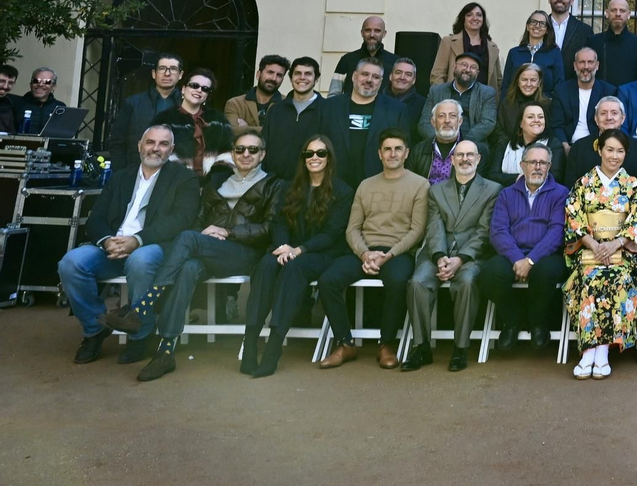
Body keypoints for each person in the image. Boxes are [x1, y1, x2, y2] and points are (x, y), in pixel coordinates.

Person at [99, 128, 283, 381]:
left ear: (262, 155)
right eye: (240, 149)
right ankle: (165, 353)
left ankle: (141, 308)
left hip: (245, 254)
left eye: (253, 149)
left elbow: (270, 227)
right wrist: (201, 239)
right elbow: (197, 222)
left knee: (186, 238)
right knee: (187, 267)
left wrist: (228, 232)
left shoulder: (274, 185)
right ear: (233, 153)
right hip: (208, 250)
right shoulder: (218, 182)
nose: (246, 154)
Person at [57, 126, 200, 366]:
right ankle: (94, 329)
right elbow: (97, 217)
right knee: (71, 263)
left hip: (152, 246)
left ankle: (141, 333)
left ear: (171, 149)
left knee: (140, 259)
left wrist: (138, 240)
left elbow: (181, 220)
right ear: (140, 145)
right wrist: (106, 241)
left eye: (163, 144)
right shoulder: (121, 176)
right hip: (112, 246)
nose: (156, 148)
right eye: (150, 142)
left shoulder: (183, 178)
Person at [243, 133, 354, 377]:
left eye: (321, 153)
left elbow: (332, 233)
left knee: (294, 268)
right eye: (309, 153)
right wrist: (283, 246)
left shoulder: (342, 191)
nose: (314, 157)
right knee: (266, 265)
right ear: (303, 158)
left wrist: (299, 250)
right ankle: (249, 342)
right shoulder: (290, 187)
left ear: (329, 158)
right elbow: (279, 222)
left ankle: (273, 347)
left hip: (322, 254)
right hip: (289, 249)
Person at [316, 131, 429, 369]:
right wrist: (365, 254)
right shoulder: (366, 185)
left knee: (398, 281)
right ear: (379, 154)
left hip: (398, 252)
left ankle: (386, 343)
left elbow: (417, 230)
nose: (392, 154)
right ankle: (345, 343)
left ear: (406, 153)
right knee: (328, 280)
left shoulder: (420, 185)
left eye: (398, 149)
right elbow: (352, 228)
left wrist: (389, 254)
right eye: (387, 149)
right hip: (364, 251)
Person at [402, 138, 498, 372]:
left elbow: (484, 231)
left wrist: (460, 258)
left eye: (470, 155)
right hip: (438, 252)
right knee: (417, 283)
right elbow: (433, 226)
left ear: (478, 159)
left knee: (466, 282)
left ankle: (460, 348)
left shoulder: (493, 189)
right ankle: (422, 347)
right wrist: (439, 256)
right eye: (460, 155)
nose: (465, 159)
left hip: (470, 256)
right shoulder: (435, 190)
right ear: (452, 160)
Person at [564, 126, 637, 379]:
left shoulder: (632, 185)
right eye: (610, 149)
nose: (614, 156)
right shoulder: (584, 183)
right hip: (590, 250)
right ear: (599, 150)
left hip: (622, 253)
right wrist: (593, 245)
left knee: (617, 277)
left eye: (620, 151)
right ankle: (588, 351)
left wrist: (616, 244)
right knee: (589, 277)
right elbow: (573, 218)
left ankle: (601, 350)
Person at [481, 142, 568, 352]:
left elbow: (557, 232)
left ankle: (538, 322)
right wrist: (518, 258)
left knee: (545, 273)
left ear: (549, 166)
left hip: (547, 255)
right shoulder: (506, 194)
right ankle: (512, 320)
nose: (537, 167)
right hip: (514, 254)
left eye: (543, 163)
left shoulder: (561, 193)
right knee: (489, 273)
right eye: (532, 162)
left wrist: (531, 260)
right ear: (522, 165)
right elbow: (498, 231)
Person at [320, 57, 407, 185]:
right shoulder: (329, 107)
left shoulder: (397, 110)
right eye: (365, 74)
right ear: (354, 76)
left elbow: (403, 149)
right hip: (334, 183)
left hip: (379, 184)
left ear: (381, 81)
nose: (369, 80)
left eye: (375, 77)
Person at [105, 54, 183, 168]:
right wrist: (121, 174)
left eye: (173, 69)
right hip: (136, 171)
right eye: (162, 68)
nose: (167, 73)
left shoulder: (187, 105)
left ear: (180, 75)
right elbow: (117, 143)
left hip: (176, 175)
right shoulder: (132, 103)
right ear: (153, 73)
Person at [262, 57, 326, 182]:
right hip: (274, 183)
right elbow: (264, 146)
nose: (302, 77)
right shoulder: (276, 110)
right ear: (291, 78)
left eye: (308, 74)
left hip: (311, 184)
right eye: (297, 73)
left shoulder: (327, 110)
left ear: (316, 79)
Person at [567, 97, 637, 185]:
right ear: (596, 119)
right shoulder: (579, 147)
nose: (609, 117)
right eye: (603, 113)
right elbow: (570, 186)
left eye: (614, 113)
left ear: (623, 118)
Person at [419, 50, 498, 145]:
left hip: (472, 144)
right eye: (464, 65)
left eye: (473, 67)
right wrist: (440, 140)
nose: (468, 69)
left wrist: (463, 143)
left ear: (477, 73)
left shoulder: (487, 93)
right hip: (439, 142)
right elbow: (424, 123)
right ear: (454, 67)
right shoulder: (436, 91)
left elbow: (488, 122)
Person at [487, 99, 566, 188]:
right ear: (521, 123)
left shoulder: (554, 145)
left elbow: (556, 177)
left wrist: (523, 179)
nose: (536, 120)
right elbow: (492, 176)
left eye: (540, 117)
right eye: (530, 117)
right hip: (508, 196)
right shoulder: (504, 145)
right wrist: (518, 178)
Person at [158, 69, 223, 173]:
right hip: (173, 181)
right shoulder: (164, 119)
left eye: (205, 88)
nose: (199, 90)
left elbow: (226, 157)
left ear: (206, 97)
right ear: (183, 89)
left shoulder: (219, 122)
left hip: (207, 184)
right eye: (194, 85)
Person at [550, 47, 617, 148]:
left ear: (597, 65)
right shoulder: (561, 90)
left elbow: (611, 124)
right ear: (575, 66)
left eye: (590, 62)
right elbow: (556, 125)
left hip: (597, 145)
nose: (586, 67)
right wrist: (565, 146)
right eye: (582, 62)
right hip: (568, 145)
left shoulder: (609, 91)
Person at [431, 1, 501, 90]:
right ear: (463, 18)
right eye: (469, 15)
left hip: (485, 100)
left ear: (483, 20)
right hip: (454, 99)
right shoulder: (448, 42)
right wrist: (442, 98)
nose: (475, 18)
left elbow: (498, 80)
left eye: (479, 15)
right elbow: (438, 74)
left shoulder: (492, 47)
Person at [502, 9, 565, 94]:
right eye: (533, 22)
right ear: (528, 26)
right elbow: (506, 85)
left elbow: (559, 84)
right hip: (516, 105)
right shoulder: (514, 53)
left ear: (547, 30)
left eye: (542, 23)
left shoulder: (554, 53)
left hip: (544, 105)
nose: (537, 26)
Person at [592, 0, 637, 88]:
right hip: (601, 97)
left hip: (628, 97)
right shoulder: (593, 41)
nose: (618, 14)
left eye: (622, 11)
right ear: (607, 13)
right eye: (614, 10)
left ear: (628, 15)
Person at [224, 54, 287, 132]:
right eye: (270, 72)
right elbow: (231, 132)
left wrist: (245, 129)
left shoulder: (288, 104)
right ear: (258, 74)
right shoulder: (235, 104)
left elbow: (287, 134)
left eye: (279, 75)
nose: (274, 78)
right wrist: (271, 130)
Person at [546, 0, 595, 77]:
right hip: (542, 86)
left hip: (572, 87)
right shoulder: (540, 27)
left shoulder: (585, 30)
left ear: (571, 0)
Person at [409, 99, 466, 183]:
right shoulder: (418, 151)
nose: (447, 121)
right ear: (433, 122)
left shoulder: (472, 152)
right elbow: (410, 183)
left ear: (460, 121)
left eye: (452, 116)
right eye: (441, 116)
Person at [497, 62, 553, 145]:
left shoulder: (547, 104)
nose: (528, 84)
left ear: (539, 82)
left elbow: (550, 132)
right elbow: (498, 131)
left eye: (533, 80)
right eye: (524, 80)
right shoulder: (506, 104)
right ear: (518, 82)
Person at [333, 16, 398, 79]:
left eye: (377, 31)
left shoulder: (395, 62)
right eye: (368, 30)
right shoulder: (347, 60)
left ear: (384, 34)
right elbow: (335, 89)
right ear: (362, 33)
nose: (372, 35)